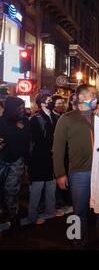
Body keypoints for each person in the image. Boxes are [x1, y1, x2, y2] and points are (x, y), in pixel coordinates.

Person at [53, 84, 99, 249]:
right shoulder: (67, 118)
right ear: (82, 97)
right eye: (93, 94)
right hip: (79, 173)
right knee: (78, 213)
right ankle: (77, 243)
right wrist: (60, 173)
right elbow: (58, 149)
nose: (96, 97)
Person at [27, 94, 64, 225]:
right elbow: (36, 140)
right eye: (48, 101)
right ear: (42, 104)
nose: (51, 102)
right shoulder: (35, 119)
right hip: (39, 159)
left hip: (51, 157)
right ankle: (32, 216)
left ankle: (50, 209)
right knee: (37, 188)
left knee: (51, 186)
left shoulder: (53, 116)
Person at [0, 96, 31, 233]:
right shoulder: (1, 121)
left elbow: (26, 139)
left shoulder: (24, 121)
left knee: (12, 191)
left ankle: (14, 219)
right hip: (1, 159)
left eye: (23, 107)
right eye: (19, 108)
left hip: (17, 160)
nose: (22, 110)